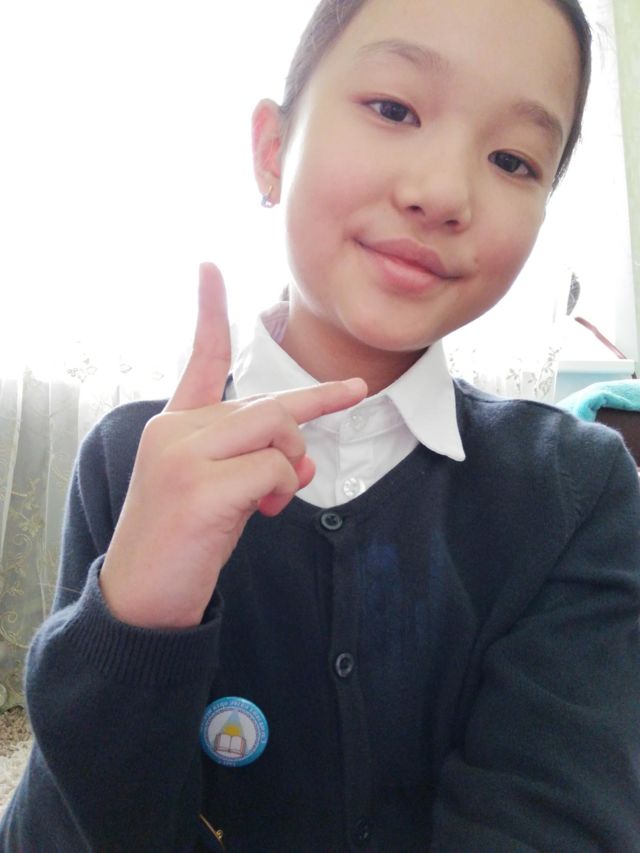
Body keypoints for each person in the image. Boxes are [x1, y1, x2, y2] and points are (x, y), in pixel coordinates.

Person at [2, 0, 639, 849]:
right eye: (394, 109)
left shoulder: (579, 490)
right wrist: (133, 624)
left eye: (513, 159)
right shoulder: (130, 460)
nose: (443, 193)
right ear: (272, 150)